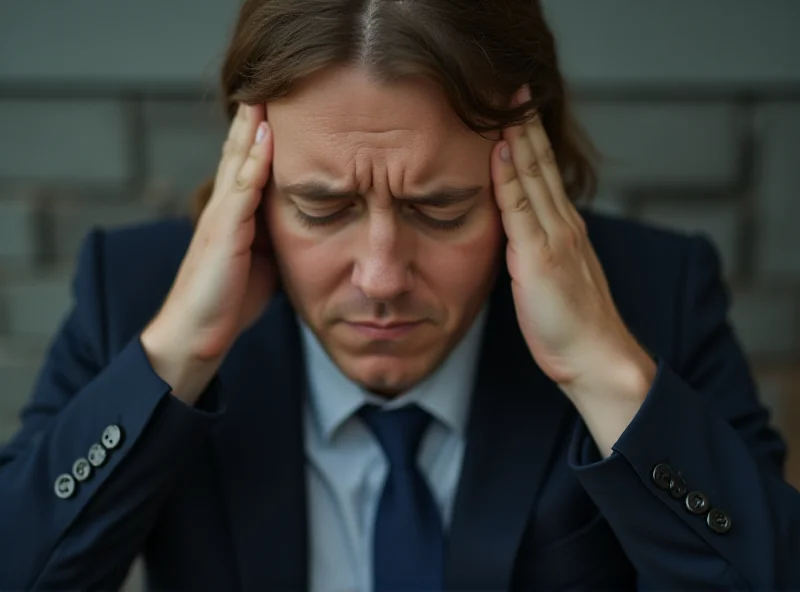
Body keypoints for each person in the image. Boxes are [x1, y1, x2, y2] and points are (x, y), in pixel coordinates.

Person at [1, 0, 799, 590]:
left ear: (529, 177)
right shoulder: (136, 298)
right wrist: (176, 358)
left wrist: (604, 374)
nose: (381, 277)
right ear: (254, 181)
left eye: (439, 209)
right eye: (322, 208)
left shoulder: (653, 302)